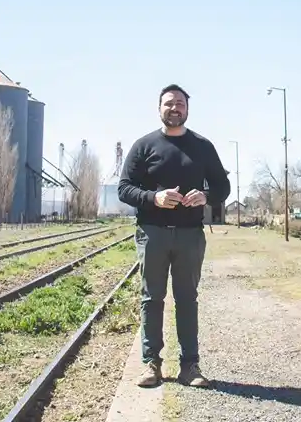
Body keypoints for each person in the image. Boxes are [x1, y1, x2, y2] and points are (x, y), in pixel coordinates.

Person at [118, 83, 231, 389]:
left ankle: (189, 366)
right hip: (152, 233)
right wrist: (153, 198)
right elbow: (124, 188)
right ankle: (151, 365)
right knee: (152, 299)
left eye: (180, 103)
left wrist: (206, 197)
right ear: (159, 109)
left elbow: (223, 188)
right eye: (169, 103)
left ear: (187, 109)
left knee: (187, 299)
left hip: (189, 235)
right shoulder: (144, 146)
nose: (174, 108)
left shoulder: (203, 146)